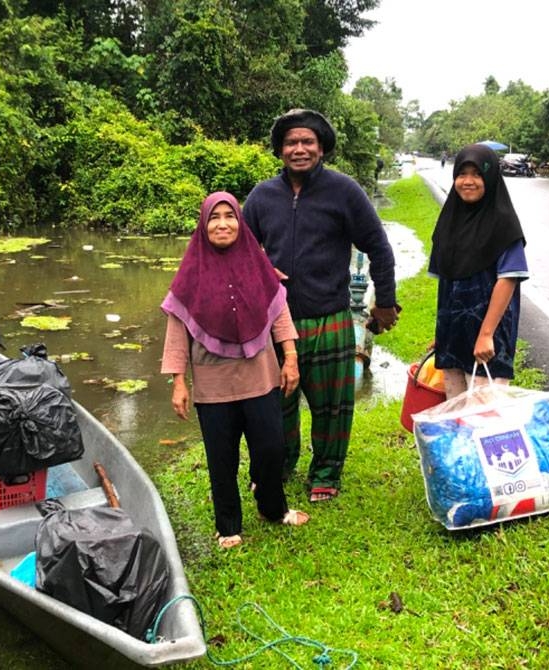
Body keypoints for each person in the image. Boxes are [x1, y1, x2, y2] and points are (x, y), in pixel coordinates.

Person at [242, 109, 399, 503]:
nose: (299, 149)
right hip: (276, 320)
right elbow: (239, 252)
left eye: (307, 142)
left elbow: (378, 247)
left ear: (322, 148)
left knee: (331, 404)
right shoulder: (262, 197)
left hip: (329, 314)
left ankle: (326, 473)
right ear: (280, 149)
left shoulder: (344, 192)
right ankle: (276, 466)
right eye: (291, 142)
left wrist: (386, 303)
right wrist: (261, 269)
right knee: (274, 403)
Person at [160, 191, 309, 549]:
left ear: (240, 222)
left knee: (272, 449)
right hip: (213, 386)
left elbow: (279, 313)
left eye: (230, 216)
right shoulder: (190, 273)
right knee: (220, 459)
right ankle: (228, 526)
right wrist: (179, 381)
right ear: (203, 224)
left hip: (260, 377)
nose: (223, 223)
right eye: (214, 217)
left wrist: (290, 358)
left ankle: (272, 509)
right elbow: (177, 330)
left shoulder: (258, 265)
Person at [428, 143, 528, 398]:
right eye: (462, 174)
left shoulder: (504, 224)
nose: (468, 181)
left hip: (488, 340)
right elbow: (446, 285)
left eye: (477, 174)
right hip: (454, 336)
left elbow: (508, 280)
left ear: (490, 177)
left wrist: (486, 335)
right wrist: (442, 334)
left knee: (485, 422)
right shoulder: (449, 222)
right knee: (456, 417)